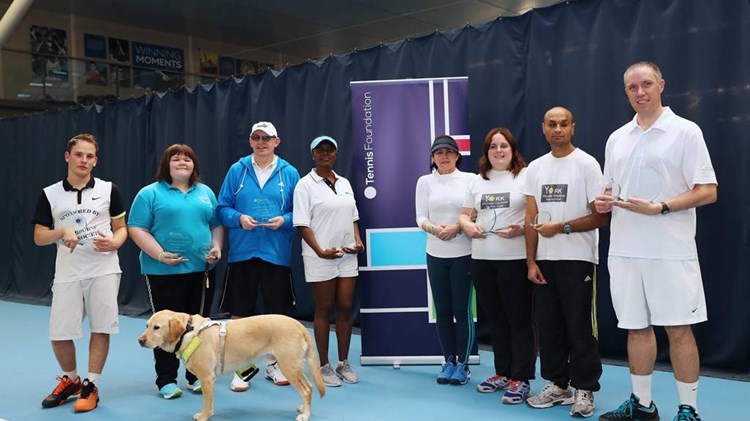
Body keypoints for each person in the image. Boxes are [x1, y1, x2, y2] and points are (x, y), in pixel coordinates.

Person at [595, 62, 717, 421]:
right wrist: (603, 201)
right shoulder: (617, 138)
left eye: (647, 84)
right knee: (636, 327)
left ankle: (688, 410)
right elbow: (609, 190)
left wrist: (661, 207)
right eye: (632, 87)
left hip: (671, 250)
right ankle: (642, 405)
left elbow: (708, 191)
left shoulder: (686, 131)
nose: (640, 92)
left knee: (679, 328)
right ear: (626, 92)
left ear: (661, 85)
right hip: (624, 250)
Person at [521, 107, 608, 418]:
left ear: (573, 127)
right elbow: (530, 218)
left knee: (581, 326)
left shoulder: (586, 164)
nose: (558, 129)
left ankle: (585, 388)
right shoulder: (535, 168)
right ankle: (559, 385)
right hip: (545, 261)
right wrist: (531, 262)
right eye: (552, 124)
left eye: (564, 124)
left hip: (578, 260)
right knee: (551, 327)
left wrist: (563, 227)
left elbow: (601, 215)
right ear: (543, 129)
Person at [32, 133, 128, 413]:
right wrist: (61, 231)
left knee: (100, 327)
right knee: (59, 333)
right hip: (67, 271)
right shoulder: (50, 194)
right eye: (79, 155)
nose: (84, 160)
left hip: (104, 269)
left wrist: (115, 241)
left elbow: (121, 228)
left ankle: (91, 384)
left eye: (89, 156)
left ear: (95, 161)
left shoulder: (110, 190)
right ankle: (72, 380)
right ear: (67, 156)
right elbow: (39, 236)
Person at [128, 144, 224, 399]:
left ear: (195, 165)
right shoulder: (149, 194)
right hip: (162, 273)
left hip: (201, 271)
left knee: (198, 327)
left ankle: (196, 375)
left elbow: (216, 225)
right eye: (176, 159)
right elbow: (136, 228)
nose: (182, 163)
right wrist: (159, 254)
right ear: (166, 165)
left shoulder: (205, 193)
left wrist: (217, 247)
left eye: (188, 159)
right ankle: (166, 380)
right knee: (163, 329)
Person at [217, 121, 300, 392]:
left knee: (278, 314)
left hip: (276, 254)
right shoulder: (237, 170)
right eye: (256, 137)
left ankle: (274, 365)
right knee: (240, 314)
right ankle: (240, 369)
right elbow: (222, 208)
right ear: (250, 141)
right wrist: (239, 218)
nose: (261, 141)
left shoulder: (290, 173)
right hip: (243, 253)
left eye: (267, 137)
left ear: (278, 141)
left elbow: (299, 212)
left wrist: (285, 220)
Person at [458, 128, 535, 403]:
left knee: (519, 320)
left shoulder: (525, 177)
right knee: (496, 320)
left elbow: (533, 213)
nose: (498, 151)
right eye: (493, 146)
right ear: (486, 151)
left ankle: (522, 377)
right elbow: (465, 215)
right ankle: (503, 372)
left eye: (503, 146)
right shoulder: (478, 181)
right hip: (481, 261)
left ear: (513, 150)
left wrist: (521, 227)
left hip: (514, 260)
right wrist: (468, 226)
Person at [293, 135, 364, 387]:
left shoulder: (344, 182)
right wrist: (320, 250)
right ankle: (323, 365)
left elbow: (353, 217)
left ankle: (343, 362)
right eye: (319, 150)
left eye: (329, 150)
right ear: (312, 154)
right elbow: (302, 223)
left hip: (346, 256)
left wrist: (357, 241)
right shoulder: (304, 185)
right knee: (323, 309)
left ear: (336, 154)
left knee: (345, 307)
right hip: (319, 256)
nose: (325, 154)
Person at [415, 135, 476, 386]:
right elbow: (420, 217)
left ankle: (463, 364)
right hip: (435, 254)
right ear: (432, 158)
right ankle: (448, 361)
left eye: (449, 152)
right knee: (443, 311)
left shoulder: (470, 180)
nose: (444, 156)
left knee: (462, 311)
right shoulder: (424, 182)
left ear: (457, 155)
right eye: (439, 153)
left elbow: (475, 213)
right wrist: (433, 229)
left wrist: (456, 228)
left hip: (464, 254)